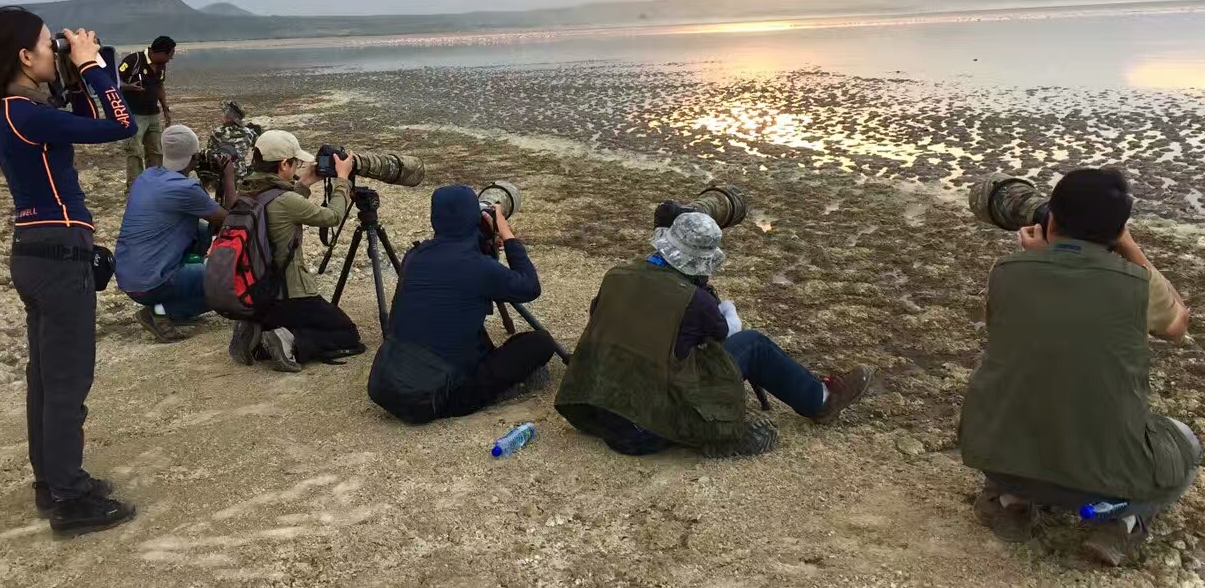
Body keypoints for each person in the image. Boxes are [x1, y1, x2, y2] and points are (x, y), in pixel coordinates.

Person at [960, 168, 1197, 567]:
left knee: (1026, 391)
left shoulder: (1005, 273)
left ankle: (1009, 500)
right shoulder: (1135, 285)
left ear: (1051, 219)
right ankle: (1119, 521)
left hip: (1001, 459)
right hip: (1103, 483)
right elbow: (1178, 324)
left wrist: (1044, 257)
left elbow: (1043, 314)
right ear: (1119, 229)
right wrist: (1129, 246)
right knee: (1186, 441)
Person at [0, 6, 137, 533]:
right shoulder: (25, 112)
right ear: (23, 56)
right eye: (48, 45)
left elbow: (86, 122)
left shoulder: (13, 110)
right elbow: (120, 125)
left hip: (36, 249)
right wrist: (90, 66)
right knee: (67, 380)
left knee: (45, 380)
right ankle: (68, 498)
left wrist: (78, 71)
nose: (53, 51)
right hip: (58, 253)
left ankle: (54, 481)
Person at [554, 211, 874, 457]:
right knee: (753, 344)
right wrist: (723, 310)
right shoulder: (696, 301)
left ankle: (816, 398)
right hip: (645, 430)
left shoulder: (617, 276)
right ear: (703, 261)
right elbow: (721, 338)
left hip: (598, 412)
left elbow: (600, 316)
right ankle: (820, 400)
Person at [367, 185, 553, 424]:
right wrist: (508, 236)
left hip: (383, 384)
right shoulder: (479, 267)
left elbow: (455, 279)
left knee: (451, 319)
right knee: (540, 342)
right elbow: (529, 287)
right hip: (429, 399)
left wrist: (480, 246)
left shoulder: (414, 256)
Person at [228, 130, 365, 371]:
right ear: (284, 164)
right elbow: (331, 217)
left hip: (260, 291)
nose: (297, 167)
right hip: (290, 293)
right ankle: (289, 340)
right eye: (296, 163)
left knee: (308, 319)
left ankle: (258, 328)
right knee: (348, 334)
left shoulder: (247, 190)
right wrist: (342, 181)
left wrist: (304, 182)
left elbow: (276, 205)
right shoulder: (285, 200)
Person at [114, 125, 234, 342]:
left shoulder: (147, 177)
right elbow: (229, 219)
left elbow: (199, 217)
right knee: (230, 278)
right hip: (153, 283)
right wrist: (227, 176)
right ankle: (164, 311)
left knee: (200, 229)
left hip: (129, 277)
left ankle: (160, 310)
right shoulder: (186, 189)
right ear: (194, 156)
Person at [118, 36, 177, 188]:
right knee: (135, 152)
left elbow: (160, 86)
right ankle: (135, 187)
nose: (170, 59)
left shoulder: (161, 65)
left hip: (152, 114)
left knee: (156, 151)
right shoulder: (133, 61)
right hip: (134, 115)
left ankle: (154, 184)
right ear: (161, 53)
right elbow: (114, 82)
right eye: (169, 55)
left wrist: (165, 108)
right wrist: (130, 87)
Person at [199, 100, 262, 190]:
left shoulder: (218, 132)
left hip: (222, 174)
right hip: (242, 175)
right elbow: (259, 147)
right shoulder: (249, 132)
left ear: (228, 117)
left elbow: (210, 150)